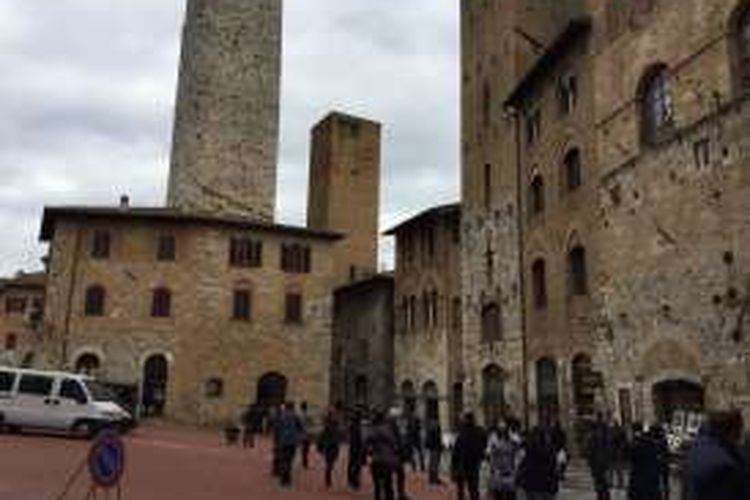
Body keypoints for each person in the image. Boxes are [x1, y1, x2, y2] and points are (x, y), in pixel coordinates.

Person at [685, 409, 748, 500]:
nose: (741, 433)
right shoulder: (724, 466)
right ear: (731, 431)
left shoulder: (698, 446)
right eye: (740, 429)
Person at [451, 412, 487, 500]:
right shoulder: (479, 431)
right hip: (474, 464)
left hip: (463, 464)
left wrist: (453, 465)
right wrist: (481, 456)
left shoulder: (462, 433)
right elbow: (483, 445)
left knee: (461, 489)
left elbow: (456, 451)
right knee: (473, 488)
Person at [518, 426, 559, 500]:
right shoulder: (550, 450)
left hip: (531, 484)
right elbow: (554, 468)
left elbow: (522, 465)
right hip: (546, 485)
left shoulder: (528, 449)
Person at [366, 409, 399, 500]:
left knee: (377, 486)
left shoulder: (372, 430)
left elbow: (367, 444)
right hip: (388, 460)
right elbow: (394, 444)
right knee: (388, 484)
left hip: (377, 460)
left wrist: (370, 451)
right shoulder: (388, 429)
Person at [627, 422, 663, 500]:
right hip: (651, 485)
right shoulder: (655, 448)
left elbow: (629, 457)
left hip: (638, 485)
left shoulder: (636, 446)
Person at [273, 402, 303, 487]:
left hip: (283, 441)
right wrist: (298, 438)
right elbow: (300, 428)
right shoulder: (295, 416)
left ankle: (283, 479)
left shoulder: (281, 417)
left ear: (285, 408)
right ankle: (288, 479)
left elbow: (277, 430)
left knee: (283, 459)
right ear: (293, 408)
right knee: (289, 460)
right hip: (292, 441)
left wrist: (276, 441)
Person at [487, 424, 521, 500]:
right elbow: (490, 457)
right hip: (502, 473)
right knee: (503, 495)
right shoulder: (495, 442)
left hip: (505, 473)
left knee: (504, 495)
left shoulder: (512, 442)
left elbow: (489, 457)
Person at [586, 414, 613, 500]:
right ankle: (605, 495)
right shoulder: (606, 434)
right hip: (603, 460)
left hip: (596, 462)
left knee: (599, 480)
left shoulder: (591, 436)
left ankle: (602, 495)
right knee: (603, 480)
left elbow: (588, 450)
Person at [389, 408, 412, 500]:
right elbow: (399, 441)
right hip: (392, 455)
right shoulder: (393, 427)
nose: (400, 419)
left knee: (400, 475)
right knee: (394, 476)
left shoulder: (398, 426)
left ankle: (400, 494)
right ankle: (397, 494)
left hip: (397, 455)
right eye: (398, 417)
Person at [317, 407, 343, 488]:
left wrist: (320, 446)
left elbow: (322, 436)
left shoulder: (329, 426)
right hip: (332, 445)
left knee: (330, 462)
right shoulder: (332, 426)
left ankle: (328, 475)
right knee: (330, 462)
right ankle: (328, 477)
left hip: (330, 445)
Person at [348, 408, 366, 490]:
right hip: (357, 447)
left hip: (355, 447)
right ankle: (354, 481)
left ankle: (352, 480)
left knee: (353, 464)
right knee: (356, 465)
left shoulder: (355, 425)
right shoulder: (358, 426)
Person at [425, 417, 445, 485]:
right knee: (434, 464)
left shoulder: (430, 429)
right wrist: (440, 446)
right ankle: (434, 479)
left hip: (433, 448)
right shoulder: (434, 430)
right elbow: (437, 440)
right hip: (435, 448)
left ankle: (432, 478)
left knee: (432, 464)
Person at [609, 420, 628, 490]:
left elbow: (623, 442)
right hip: (613, 452)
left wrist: (621, 449)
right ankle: (612, 482)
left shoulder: (618, 431)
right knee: (613, 468)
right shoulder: (611, 431)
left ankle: (619, 482)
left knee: (617, 468)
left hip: (616, 452)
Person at [299, 401, 315, 469]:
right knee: (305, 449)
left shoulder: (299, 415)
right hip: (307, 434)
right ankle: (305, 462)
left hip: (301, 434)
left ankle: (304, 461)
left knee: (304, 449)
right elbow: (312, 423)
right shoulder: (308, 415)